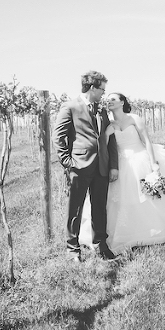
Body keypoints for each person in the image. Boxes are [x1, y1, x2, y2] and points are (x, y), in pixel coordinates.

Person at [80, 92, 165, 254]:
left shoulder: (134, 118)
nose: (109, 101)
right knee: (123, 199)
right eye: (108, 99)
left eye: (113, 99)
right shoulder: (109, 123)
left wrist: (154, 164)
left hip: (140, 159)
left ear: (122, 102)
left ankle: (158, 228)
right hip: (122, 164)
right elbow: (104, 146)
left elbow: (146, 141)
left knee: (150, 197)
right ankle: (127, 232)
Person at [53, 71, 119, 262]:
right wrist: (68, 162)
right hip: (79, 166)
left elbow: (110, 138)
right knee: (75, 208)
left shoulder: (102, 109)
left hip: (102, 166)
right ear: (92, 88)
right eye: (102, 90)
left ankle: (101, 246)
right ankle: (73, 249)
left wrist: (113, 165)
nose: (103, 94)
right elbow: (58, 137)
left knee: (100, 207)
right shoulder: (70, 107)